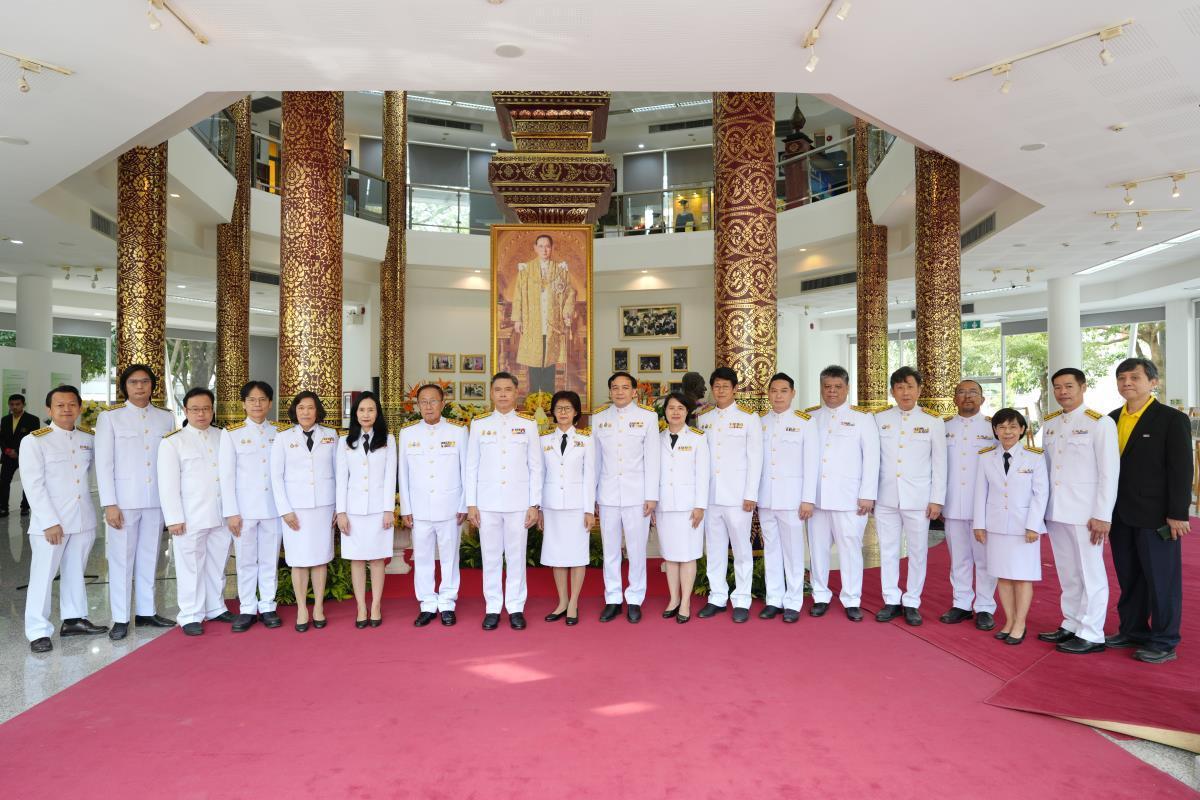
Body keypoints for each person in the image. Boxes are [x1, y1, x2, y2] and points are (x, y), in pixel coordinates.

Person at [1105, 357, 1193, 664]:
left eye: (1134, 377)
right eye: (1121, 378)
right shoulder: (1111, 419)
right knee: (1130, 577)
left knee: (1162, 580)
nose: (1127, 383)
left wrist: (1178, 513)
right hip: (1119, 514)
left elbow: (1181, 469)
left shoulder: (1171, 419)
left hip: (1157, 516)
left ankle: (1164, 641)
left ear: (1153, 382)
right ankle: (1133, 630)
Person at [1037, 368, 1119, 655]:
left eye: (1069, 386)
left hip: (1086, 513)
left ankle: (1092, 632)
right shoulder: (1050, 423)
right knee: (1068, 572)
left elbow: (1109, 472)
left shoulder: (1100, 423)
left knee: (1090, 572)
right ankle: (1071, 622)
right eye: (1058, 387)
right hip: (1057, 510)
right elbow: (1046, 469)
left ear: (1083, 387)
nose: (1063, 392)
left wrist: (1103, 514)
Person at [21, 385, 108, 652]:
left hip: (82, 519)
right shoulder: (35, 440)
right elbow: (33, 485)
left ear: (79, 408)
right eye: (60, 405)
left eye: (72, 404)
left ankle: (73, 619)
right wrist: (49, 521)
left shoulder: (88, 438)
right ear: (49, 410)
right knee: (43, 576)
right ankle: (38, 630)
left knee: (75, 571)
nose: (66, 409)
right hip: (51, 523)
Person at [94, 364, 177, 640]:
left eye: (145, 382)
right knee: (121, 559)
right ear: (124, 387)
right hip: (124, 501)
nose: (140, 387)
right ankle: (120, 618)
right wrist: (109, 503)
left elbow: (169, 462)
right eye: (133, 382)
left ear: (153, 385)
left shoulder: (165, 417)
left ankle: (146, 612)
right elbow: (104, 464)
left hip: (155, 499)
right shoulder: (111, 418)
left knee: (150, 556)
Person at [465, 372, 542, 631]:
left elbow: (536, 467)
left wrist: (534, 504)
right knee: (490, 556)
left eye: (508, 389)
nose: (503, 394)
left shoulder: (528, 424)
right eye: (498, 389)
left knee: (516, 556)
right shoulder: (479, 424)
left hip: (518, 503)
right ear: (491, 393)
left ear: (516, 392)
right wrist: (472, 503)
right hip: (487, 503)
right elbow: (471, 467)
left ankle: (516, 607)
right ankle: (493, 607)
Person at [873, 367, 947, 627]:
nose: (905, 392)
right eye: (900, 387)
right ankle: (891, 599)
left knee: (918, 552)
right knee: (888, 550)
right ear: (892, 391)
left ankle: (912, 601)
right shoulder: (879, 419)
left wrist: (937, 499)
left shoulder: (932, 421)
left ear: (919, 390)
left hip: (918, 498)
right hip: (886, 497)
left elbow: (940, 464)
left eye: (910, 387)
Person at [158, 388, 232, 636]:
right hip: (190, 516)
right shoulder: (173, 442)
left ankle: (215, 606)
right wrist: (174, 518)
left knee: (217, 562)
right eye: (195, 409)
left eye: (206, 409)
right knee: (190, 565)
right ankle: (190, 614)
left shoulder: (223, 436)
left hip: (221, 513)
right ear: (186, 411)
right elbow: (168, 485)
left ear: (213, 409)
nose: (201, 414)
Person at [807, 365, 879, 621]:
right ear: (821, 388)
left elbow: (872, 458)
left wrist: (868, 494)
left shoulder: (862, 418)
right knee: (818, 550)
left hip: (849, 498)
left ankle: (851, 598)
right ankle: (820, 595)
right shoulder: (810, 417)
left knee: (850, 549)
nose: (832, 391)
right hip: (817, 498)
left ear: (847, 388)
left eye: (837, 387)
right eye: (827, 386)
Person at [972, 409, 1048, 645]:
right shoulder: (986, 457)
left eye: (1013, 427)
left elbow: (1040, 495)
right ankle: (1009, 620)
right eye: (1002, 427)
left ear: (1022, 429)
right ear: (995, 430)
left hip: (1024, 527)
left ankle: (1020, 624)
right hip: (996, 526)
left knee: (1022, 577)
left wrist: (1033, 525)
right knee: (1003, 576)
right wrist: (979, 524)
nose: (1007, 432)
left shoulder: (1034, 457)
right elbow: (980, 493)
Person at [219, 381, 287, 632]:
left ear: (270, 403)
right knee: (246, 560)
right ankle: (247, 607)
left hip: (273, 508)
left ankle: (268, 605)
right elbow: (226, 476)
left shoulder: (281, 432)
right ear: (244, 404)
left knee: (269, 559)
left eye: (262, 400)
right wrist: (231, 512)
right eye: (251, 400)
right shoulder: (232, 433)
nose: (257, 404)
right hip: (244, 510)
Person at [591, 371, 660, 623]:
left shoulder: (648, 417)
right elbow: (595, 461)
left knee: (636, 549)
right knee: (610, 549)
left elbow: (653, 458)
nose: (619, 392)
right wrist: (593, 497)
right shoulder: (599, 418)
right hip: (608, 494)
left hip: (637, 495)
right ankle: (612, 598)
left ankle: (634, 599)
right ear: (610, 391)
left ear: (634, 391)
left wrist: (651, 496)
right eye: (615, 387)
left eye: (625, 387)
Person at [696, 367, 763, 623]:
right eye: (717, 386)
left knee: (742, 549)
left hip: (737, 496)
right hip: (711, 495)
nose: (721, 390)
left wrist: (751, 494)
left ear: (735, 389)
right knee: (714, 548)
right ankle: (717, 596)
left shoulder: (748, 417)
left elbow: (755, 458)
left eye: (725, 386)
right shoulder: (704, 418)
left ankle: (742, 598)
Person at [398, 384, 468, 628]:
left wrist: (464, 504)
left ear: (442, 403)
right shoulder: (408, 433)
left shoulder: (458, 431)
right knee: (422, 557)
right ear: (418, 405)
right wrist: (405, 508)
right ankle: (427, 603)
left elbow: (466, 470)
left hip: (450, 507)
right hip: (419, 508)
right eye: (423, 402)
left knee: (450, 557)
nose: (428, 406)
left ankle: (447, 602)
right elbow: (403, 474)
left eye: (433, 401)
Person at [271, 391, 337, 633]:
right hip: (295, 510)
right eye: (301, 408)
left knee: (320, 558)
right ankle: (301, 608)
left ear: (317, 410)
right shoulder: (283, 438)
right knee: (298, 561)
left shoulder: (331, 435)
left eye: (310, 407)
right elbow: (276, 477)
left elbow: (339, 472)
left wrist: (339, 507)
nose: (306, 412)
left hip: (324, 507)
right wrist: (284, 510)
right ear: (294, 411)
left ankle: (318, 607)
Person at [757, 373, 817, 622]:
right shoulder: (760, 421)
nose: (778, 396)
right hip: (766, 497)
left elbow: (811, 463)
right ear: (768, 394)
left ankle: (793, 600)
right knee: (771, 550)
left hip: (792, 499)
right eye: (774, 391)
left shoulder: (805, 422)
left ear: (793, 393)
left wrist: (808, 499)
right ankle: (774, 599)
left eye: (783, 391)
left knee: (793, 552)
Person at [939, 380, 997, 630]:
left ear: (982, 399)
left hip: (983, 505)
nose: (967, 396)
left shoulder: (993, 427)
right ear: (954, 399)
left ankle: (985, 606)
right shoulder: (943, 427)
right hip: (953, 503)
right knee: (959, 558)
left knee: (984, 559)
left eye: (973, 392)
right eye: (961, 392)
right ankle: (961, 603)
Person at [336, 391, 397, 629]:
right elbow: (342, 479)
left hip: (379, 510)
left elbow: (390, 476)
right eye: (361, 410)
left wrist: (389, 509)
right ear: (355, 413)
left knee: (378, 558)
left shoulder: (388, 440)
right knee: (357, 560)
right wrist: (341, 512)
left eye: (371, 410)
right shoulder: (345, 441)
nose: (366, 414)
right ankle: (361, 606)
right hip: (353, 510)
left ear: (377, 413)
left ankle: (376, 605)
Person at [539, 390, 595, 626]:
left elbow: (590, 476)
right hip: (552, 505)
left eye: (568, 408)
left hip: (576, 506)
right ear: (552, 411)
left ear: (575, 412)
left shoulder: (586, 439)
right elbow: (539, 474)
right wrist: (539, 508)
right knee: (556, 555)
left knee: (577, 555)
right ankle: (562, 602)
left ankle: (573, 602)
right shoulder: (543, 440)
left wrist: (589, 510)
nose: (563, 412)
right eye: (559, 408)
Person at [655, 393, 708, 624]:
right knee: (670, 555)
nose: (675, 412)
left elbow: (703, 474)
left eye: (680, 408)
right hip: (664, 505)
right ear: (665, 412)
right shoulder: (656, 439)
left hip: (689, 507)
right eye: (671, 408)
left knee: (687, 555)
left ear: (687, 412)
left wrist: (700, 506)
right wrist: (652, 503)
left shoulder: (697, 438)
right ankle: (674, 598)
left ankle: (685, 601)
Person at [511, 234, 577, 394]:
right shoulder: (526, 270)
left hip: (552, 323)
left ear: (552, 248)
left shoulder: (560, 269)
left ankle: (548, 398)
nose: (544, 250)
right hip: (532, 322)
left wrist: (566, 313)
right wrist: (517, 319)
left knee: (549, 363)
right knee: (534, 362)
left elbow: (570, 292)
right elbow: (518, 295)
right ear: (535, 248)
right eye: (540, 246)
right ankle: (533, 397)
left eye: (547, 246)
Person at [1, 392, 40, 517]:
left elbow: (33, 439)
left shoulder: (33, 420)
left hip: (25, 456)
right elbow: (2, 438)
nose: (14, 407)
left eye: (17, 404)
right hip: (8, 456)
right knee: (3, 482)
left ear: (23, 405)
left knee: (27, 482)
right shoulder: (5, 420)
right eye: (12, 404)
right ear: (9, 405)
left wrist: (17, 452)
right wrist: (7, 450)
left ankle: (25, 507)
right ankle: (3, 508)